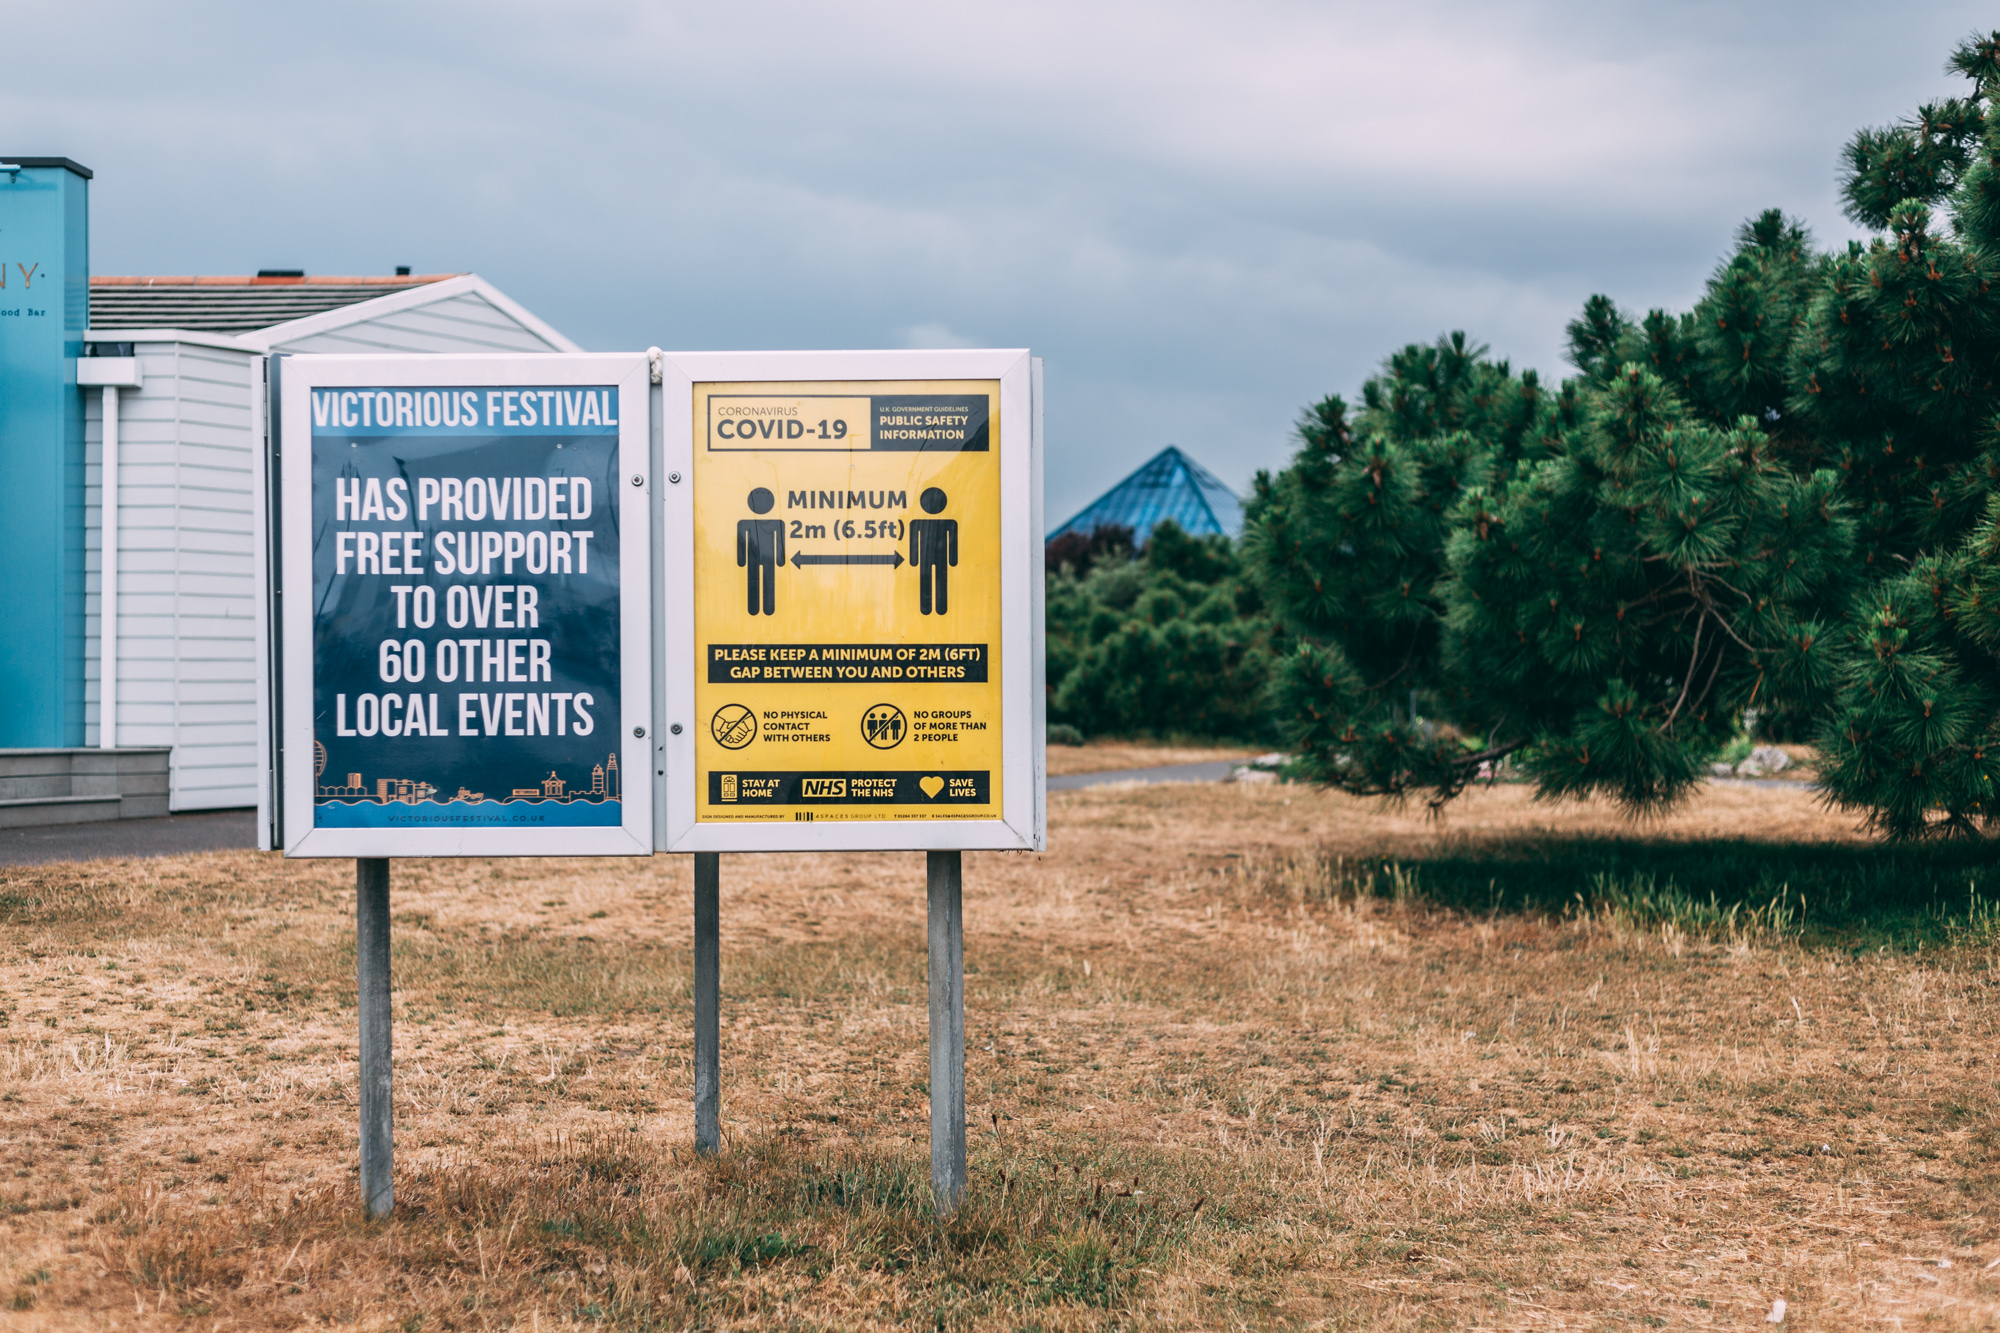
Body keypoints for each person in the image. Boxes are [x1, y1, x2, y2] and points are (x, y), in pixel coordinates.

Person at [909, 486, 957, 615]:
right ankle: (928, 608)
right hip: (934, 557)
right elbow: (914, 539)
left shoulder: (949, 523)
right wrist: (953, 559)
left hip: (932, 557)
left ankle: (939, 608)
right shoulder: (917, 523)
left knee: (940, 581)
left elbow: (953, 542)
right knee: (929, 581)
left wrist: (953, 559)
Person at [737, 487, 785, 615]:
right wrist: (741, 560)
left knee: (769, 582)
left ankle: (768, 609)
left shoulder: (777, 524)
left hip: (768, 558)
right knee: (753, 582)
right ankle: (754, 609)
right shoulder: (744, 523)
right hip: (754, 557)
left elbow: (780, 542)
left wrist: (780, 560)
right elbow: (741, 543)